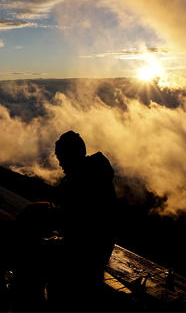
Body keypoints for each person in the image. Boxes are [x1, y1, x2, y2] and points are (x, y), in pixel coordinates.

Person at [15, 131, 117, 311]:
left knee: (31, 255)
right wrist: (52, 212)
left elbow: (72, 221)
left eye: (61, 157)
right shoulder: (92, 174)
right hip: (95, 247)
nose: (60, 162)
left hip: (88, 253)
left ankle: (33, 306)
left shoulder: (85, 181)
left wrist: (42, 213)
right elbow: (75, 216)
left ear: (72, 155)